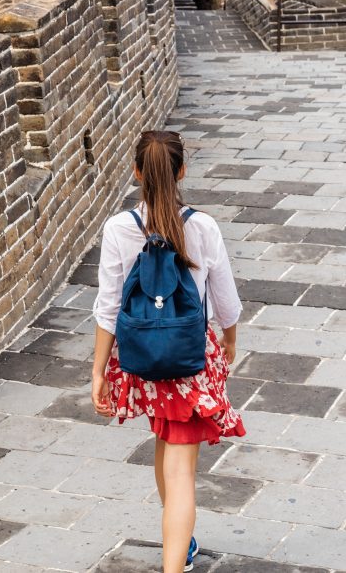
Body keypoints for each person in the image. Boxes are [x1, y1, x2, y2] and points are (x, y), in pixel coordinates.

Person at [92, 130, 244, 573]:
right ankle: (174, 564)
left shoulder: (119, 228)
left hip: (142, 360)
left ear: (137, 172)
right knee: (182, 473)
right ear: (181, 171)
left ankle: (182, 541)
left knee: (165, 440)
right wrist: (230, 340)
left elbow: (109, 307)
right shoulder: (201, 226)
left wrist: (99, 370)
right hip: (191, 362)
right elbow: (226, 300)